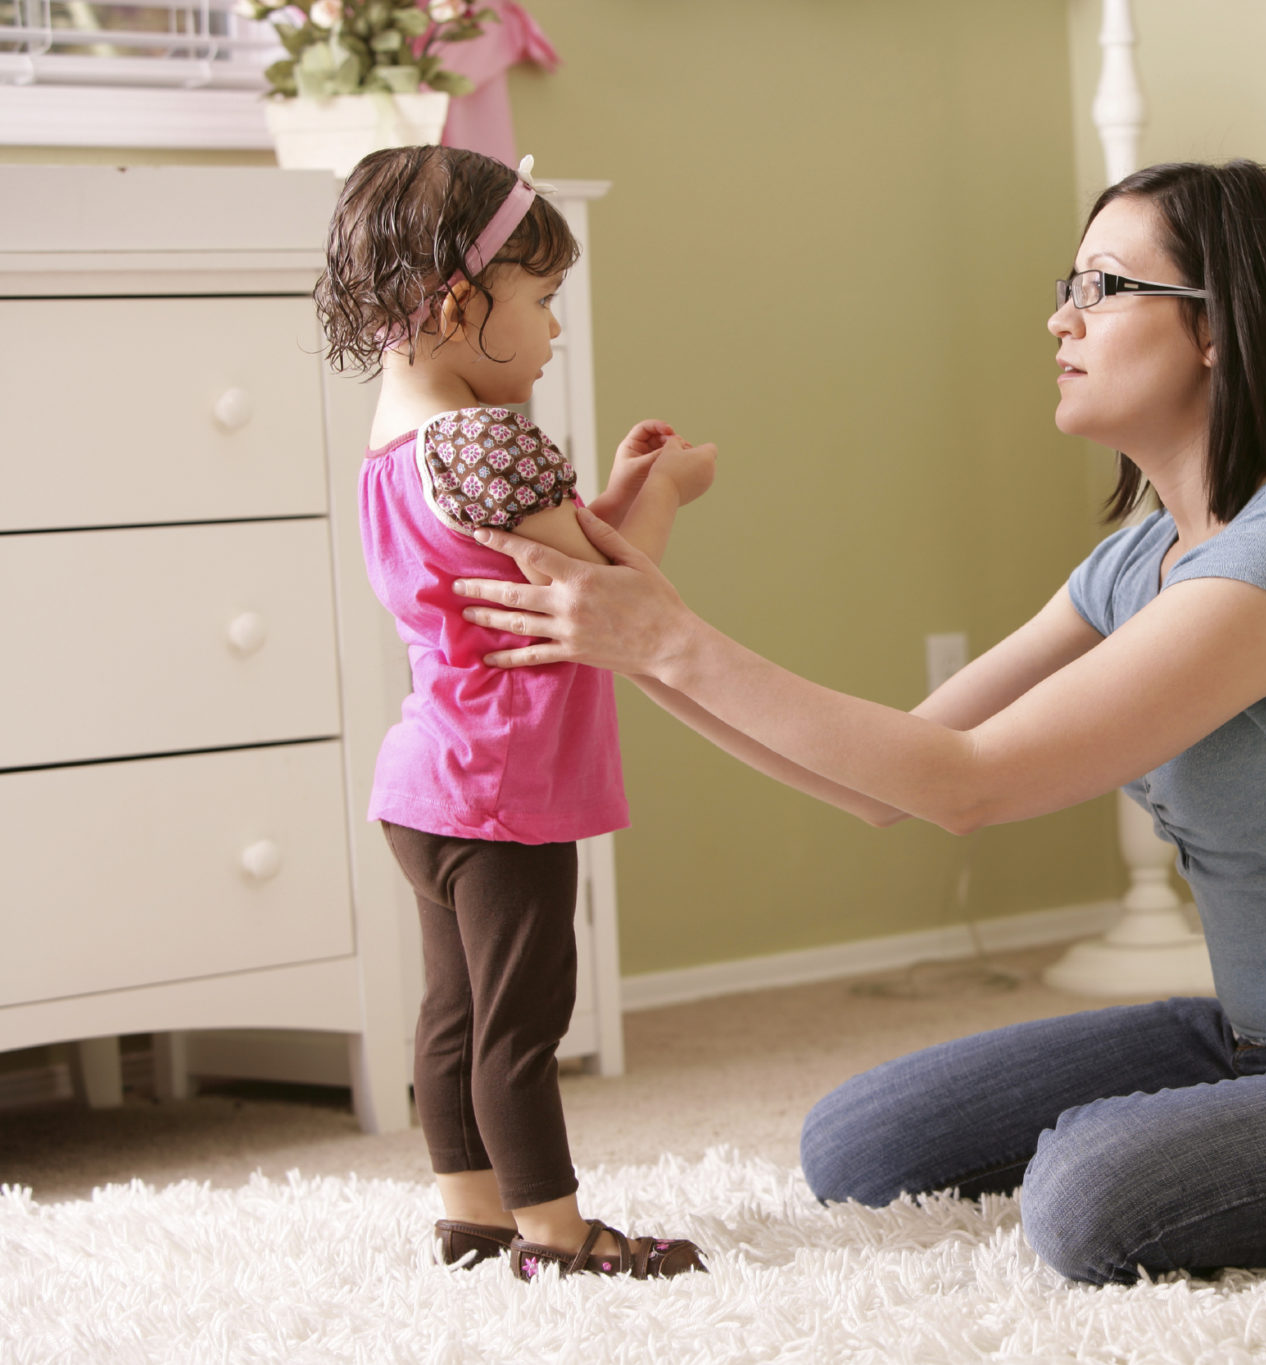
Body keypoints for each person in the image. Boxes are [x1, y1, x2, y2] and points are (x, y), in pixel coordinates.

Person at [451, 159, 1266, 1285]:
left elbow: (967, 784)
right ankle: (1246, 1117)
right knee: (861, 1146)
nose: (1058, 317)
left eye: (1102, 286)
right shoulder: (1136, 559)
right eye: (1067, 282)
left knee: (1088, 1197)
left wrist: (666, 639)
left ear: (1219, 330)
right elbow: (883, 785)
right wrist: (635, 636)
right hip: (1259, 1036)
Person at [315, 145, 716, 1281]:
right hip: (508, 790)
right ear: (457, 303)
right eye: (541, 303)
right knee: (521, 1022)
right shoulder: (492, 442)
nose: (551, 333)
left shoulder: (395, 448)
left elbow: (553, 549)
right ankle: (555, 1231)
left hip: (426, 783)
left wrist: (625, 492)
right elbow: (610, 594)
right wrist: (674, 493)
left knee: (453, 1011)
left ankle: (470, 1214)